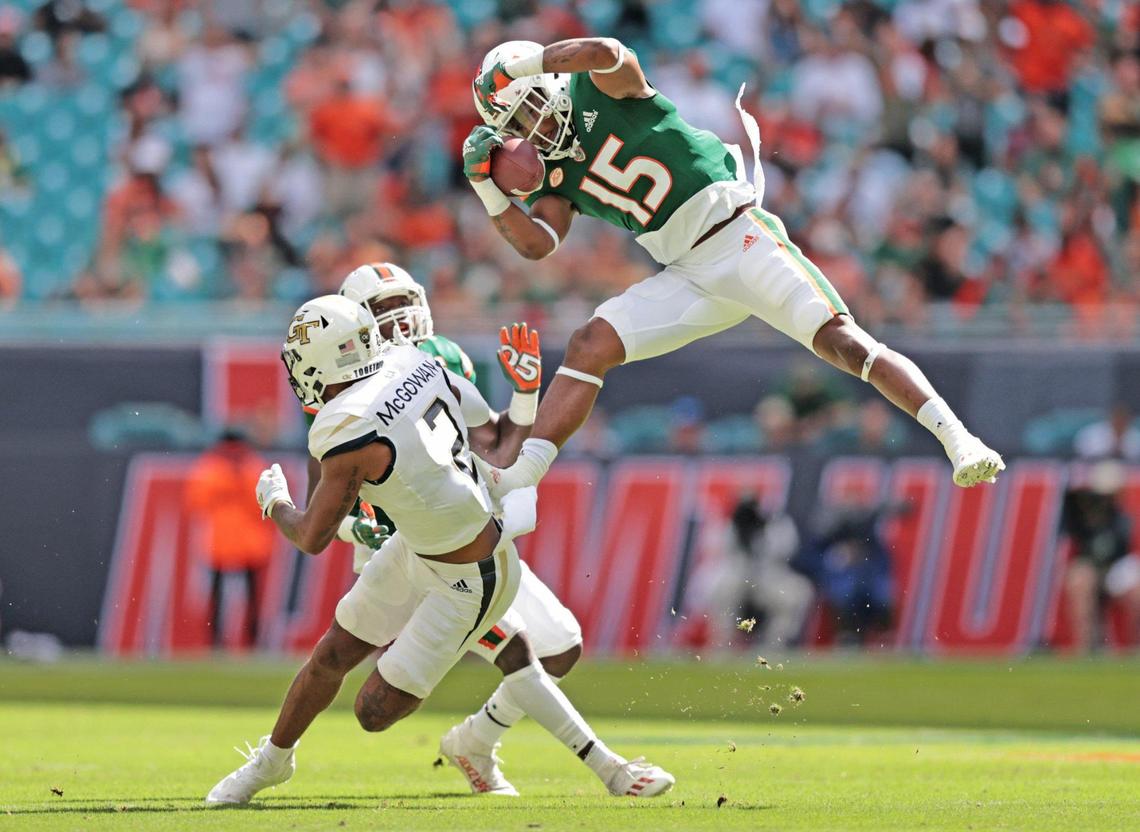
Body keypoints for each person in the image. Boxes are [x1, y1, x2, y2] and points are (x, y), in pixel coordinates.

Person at [461, 37, 1003, 501]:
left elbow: (604, 52)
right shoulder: (553, 174)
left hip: (740, 235)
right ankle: (523, 477)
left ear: (548, 78)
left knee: (842, 340)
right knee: (589, 344)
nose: (535, 126)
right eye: (521, 126)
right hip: (686, 271)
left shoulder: (597, 85)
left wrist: (523, 68)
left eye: (531, 105)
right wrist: (488, 187)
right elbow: (537, 245)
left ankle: (957, 437)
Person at [207, 295, 673, 804]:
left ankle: (484, 740)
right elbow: (499, 441)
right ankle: (270, 762)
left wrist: (274, 503)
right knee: (332, 654)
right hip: (417, 546)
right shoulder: (419, 362)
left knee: (373, 711)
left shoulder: (344, 428)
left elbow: (312, 538)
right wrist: (525, 393)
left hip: (470, 578)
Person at [183, 428, 275, 648]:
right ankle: (215, 640)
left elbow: (264, 503)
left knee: (251, 596)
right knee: (218, 595)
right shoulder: (212, 467)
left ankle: (252, 640)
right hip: (222, 540)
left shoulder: (250, 466)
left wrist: (236, 483)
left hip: (246, 540)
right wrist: (230, 483)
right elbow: (197, 501)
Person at [1059, 461, 1140, 653]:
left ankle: (1136, 648)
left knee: (1137, 588)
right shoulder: (1082, 517)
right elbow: (1075, 550)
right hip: (1092, 567)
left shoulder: (1125, 518)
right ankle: (1087, 647)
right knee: (1080, 579)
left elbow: (1128, 554)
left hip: (1118, 568)